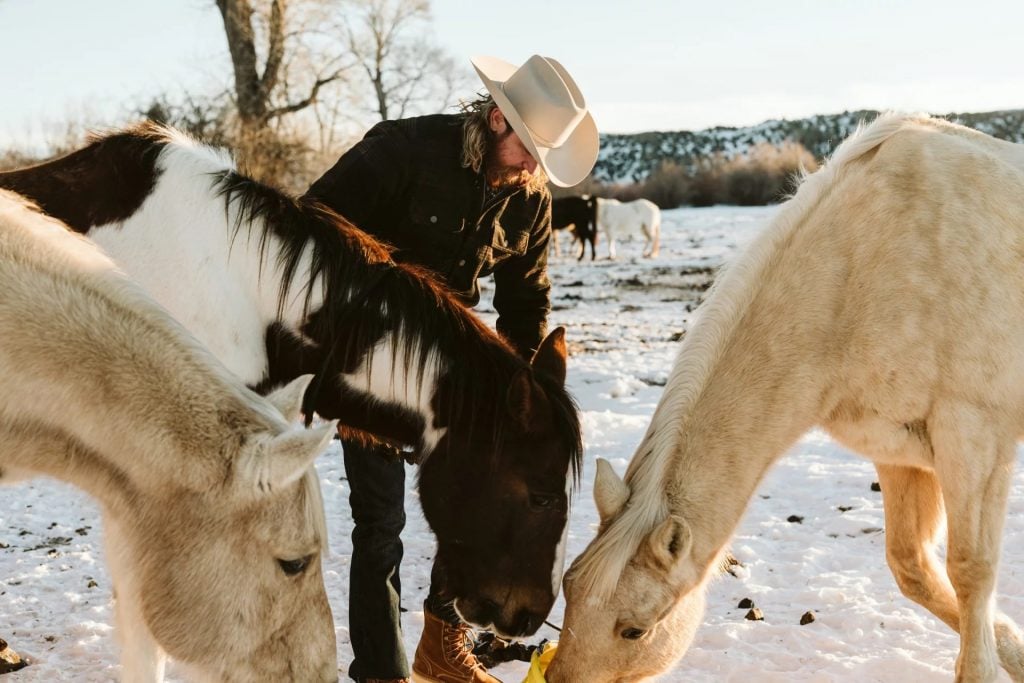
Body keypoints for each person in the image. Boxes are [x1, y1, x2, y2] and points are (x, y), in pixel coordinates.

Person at [303, 54, 598, 683]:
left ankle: (442, 641)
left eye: (546, 157)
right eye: (528, 149)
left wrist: (526, 392)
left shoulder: (530, 200)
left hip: (451, 376)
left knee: (481, 502)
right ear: (496, 120)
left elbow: (525, 300)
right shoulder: (402, 151)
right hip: (369, 360)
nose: (534, 167)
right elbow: (311, 224)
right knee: (381, 521)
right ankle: (381, 673)